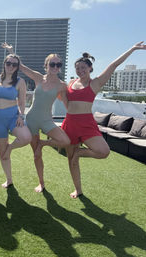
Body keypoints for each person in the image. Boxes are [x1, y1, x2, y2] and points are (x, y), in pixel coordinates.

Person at [62, 41, 146, 198]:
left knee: (103, 151)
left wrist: (133, 49)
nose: (80, 70)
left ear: (90, 69)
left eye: (83, 68)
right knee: (71, 161)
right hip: (70, 122)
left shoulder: (96, 83)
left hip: (87, 124)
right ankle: (78, 190)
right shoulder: (71, 83)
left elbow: (113, 65)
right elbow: (66, 101)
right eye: (77, 68)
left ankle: (80, 152)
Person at [2, 43, 70, 192]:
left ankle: (42, 144)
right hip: (32, 119)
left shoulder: (62, 85)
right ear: (46, 65)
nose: (55, 67)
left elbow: (67, 104)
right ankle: (41, 183)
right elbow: (21, 66)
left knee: (64, 141)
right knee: (37, 156)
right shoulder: (39, 78)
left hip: (47, 120)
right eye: (52, 64)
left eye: (59, 64)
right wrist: (11, 51)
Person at [0, 53, 32, 188]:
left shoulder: (20, 82)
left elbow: (22, 102)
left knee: (26, 138)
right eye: (8, 63)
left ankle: (10, 148)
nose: (11, 66)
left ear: (17, 67)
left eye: (14, 64)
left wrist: (21, 116)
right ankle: (9, 179)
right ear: (4, 64)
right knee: (2, 154)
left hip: (13, 116)